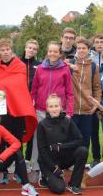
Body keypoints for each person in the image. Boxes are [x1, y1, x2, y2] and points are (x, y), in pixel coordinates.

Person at [0, 38, 38, 184]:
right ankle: (5, 172)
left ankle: (19, 172)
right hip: (2, 110)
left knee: (17, 142)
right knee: (3, 143)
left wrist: (5, 86)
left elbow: (18, 85)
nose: (5, 52)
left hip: (17, 110)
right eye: (2, 50)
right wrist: (4, 86)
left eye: (7, 49)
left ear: (12, 50)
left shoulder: (20, 65)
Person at [29, 41, 74, 182]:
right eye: (50, 51)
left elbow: (70, 93)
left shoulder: (65, 69)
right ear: (47, 52)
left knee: (56, 142)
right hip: (41, 111)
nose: (52, 54)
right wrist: (32, 104)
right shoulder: (40, 69)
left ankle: (53, 169)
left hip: (58, 112)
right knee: (39, 141)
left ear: (60, 54)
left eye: (55, 52)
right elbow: (34, 89)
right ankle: (36, 169)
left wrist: (69, 113)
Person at [37, 95, 88, 195]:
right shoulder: (42, 124)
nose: (54, 109)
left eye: (56, 106)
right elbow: (41, 151)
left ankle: (73, 184)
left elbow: (80, 140)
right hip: (49, 162)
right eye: (51, 107)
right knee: (59, 189)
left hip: (64, 159)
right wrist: (54, 169)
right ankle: (45, 176)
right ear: (47, 108)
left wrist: (61, 146)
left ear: (61, 107)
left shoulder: (68, 121)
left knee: (83, 151)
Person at [70, 37, 102, 166]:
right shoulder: (70, 64)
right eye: (79, 48)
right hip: (72, 109)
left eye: (84, 48)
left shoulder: (94, 67)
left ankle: (81, 163)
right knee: (71, 138)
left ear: (89, 50)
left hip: (87, 110)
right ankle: (71, 162)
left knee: (85, 139)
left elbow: (97, 87)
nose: (81, 50)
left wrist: (97, 103)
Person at [20, 39, 40, 168]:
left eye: (34, 48)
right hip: (18, 104)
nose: (31, 50)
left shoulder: (39, 65)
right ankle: (18, 159)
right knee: (19, 132)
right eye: (29, 47)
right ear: (25, 48)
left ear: (36, 51)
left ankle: (27, 160)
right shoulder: (17, 63)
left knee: (31, 132)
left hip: (33, 104)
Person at [89, 34, 103, 171]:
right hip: (93, 100)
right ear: (93, 44)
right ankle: (96, 158)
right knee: (93, 132)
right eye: (97, 42)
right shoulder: (89, 59)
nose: (99, 44)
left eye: (102, 42)